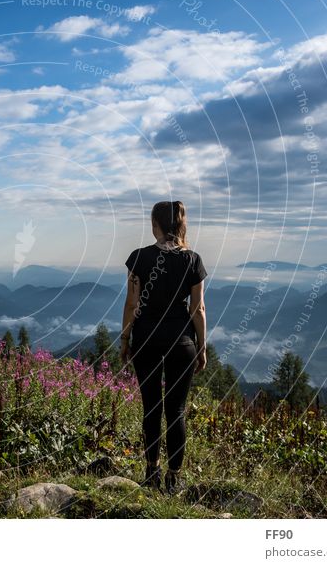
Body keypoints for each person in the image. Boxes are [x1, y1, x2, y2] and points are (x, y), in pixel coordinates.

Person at [120, 200, 208, 495]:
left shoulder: (139, 258)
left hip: (145, 339)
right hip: (181, 341)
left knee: (151, 407)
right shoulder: (193, 260)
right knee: (177, 410)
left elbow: (132, 304)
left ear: (155, 224)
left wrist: (124, 340)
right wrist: (202, 347)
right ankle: (173, 477)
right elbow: (198, 309)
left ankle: (150, 471)